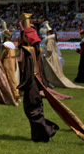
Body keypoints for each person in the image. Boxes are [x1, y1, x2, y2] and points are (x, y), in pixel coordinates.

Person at [17, 14, 59, 142]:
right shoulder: (37, 50)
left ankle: (47, 130)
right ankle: (37, 135)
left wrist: (22, 86)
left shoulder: (29, 52)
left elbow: (28, 72)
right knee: (35, 109)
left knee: (32, 110)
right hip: (36, 82)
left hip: (31, 84)